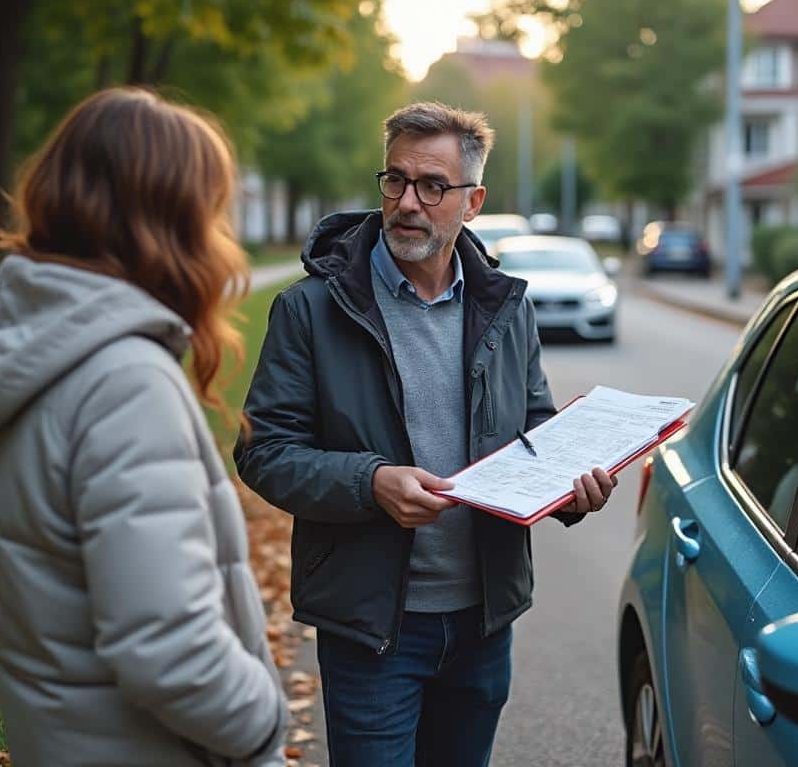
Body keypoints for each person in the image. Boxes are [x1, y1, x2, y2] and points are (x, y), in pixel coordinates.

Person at [234, 101, 617, 766]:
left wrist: (572, 480)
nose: (408, 202)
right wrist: (370, 482)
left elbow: (531, 425)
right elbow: (264, 451)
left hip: (483, 622)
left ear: (472, 202)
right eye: (396, 180)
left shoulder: (505, 305)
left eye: (432, 186)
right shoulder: (311, 308)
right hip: (372, 628)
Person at [0, 88, 288, 766]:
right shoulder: (124, 385)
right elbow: (170, 651)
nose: (222, 235)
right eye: (212, 211)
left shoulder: (21, 345)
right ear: (169, 220)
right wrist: (264, 723)